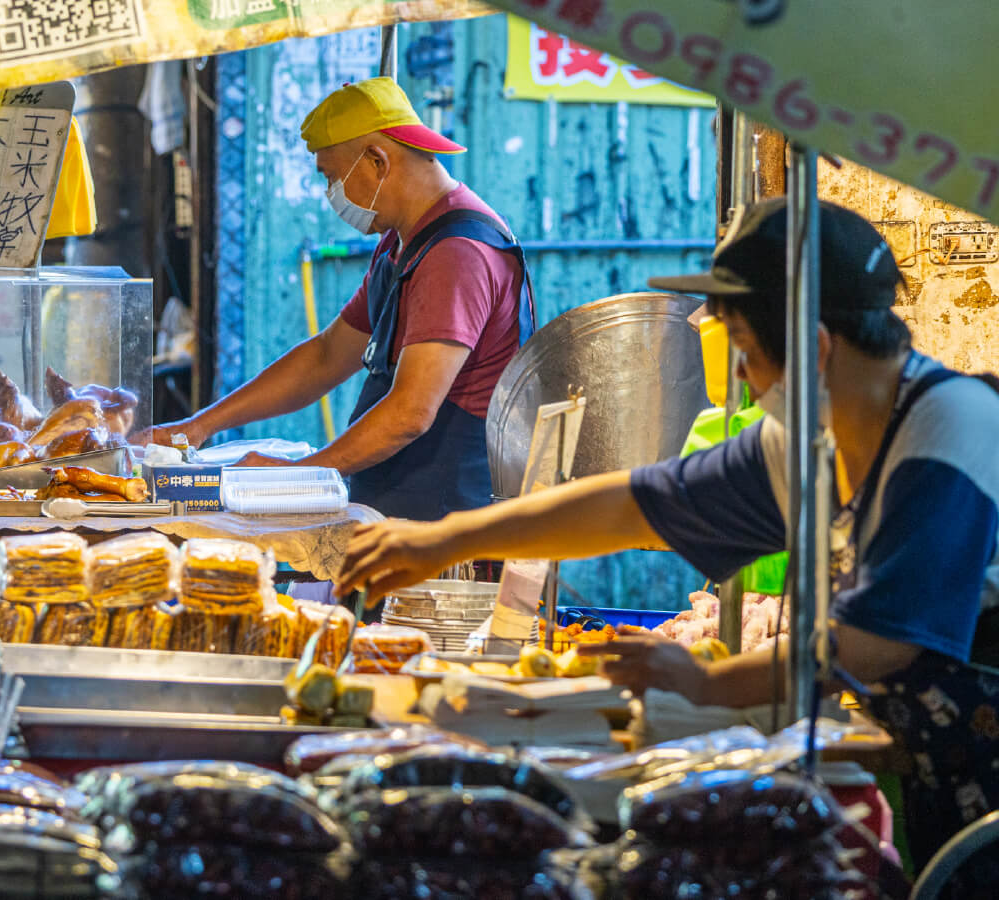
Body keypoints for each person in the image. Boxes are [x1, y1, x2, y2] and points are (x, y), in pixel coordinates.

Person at [338, 197, 999, 872]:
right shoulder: (814, 442)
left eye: (742, 349)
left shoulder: (951, 429)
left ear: (816, 348)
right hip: (938, 773)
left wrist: (703, 683)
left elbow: (875, 644)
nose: (739, 376)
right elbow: (637, 505)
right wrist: (448, 540)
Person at [140, 77, 535, 521]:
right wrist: (196, 428)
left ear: (377, 160)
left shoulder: (457, 252)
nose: (332, 194)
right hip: (397, 507)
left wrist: (298, 475)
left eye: (331, 176)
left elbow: (410, 412)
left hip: (449, 528)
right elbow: (327, 356)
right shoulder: (401, 242)